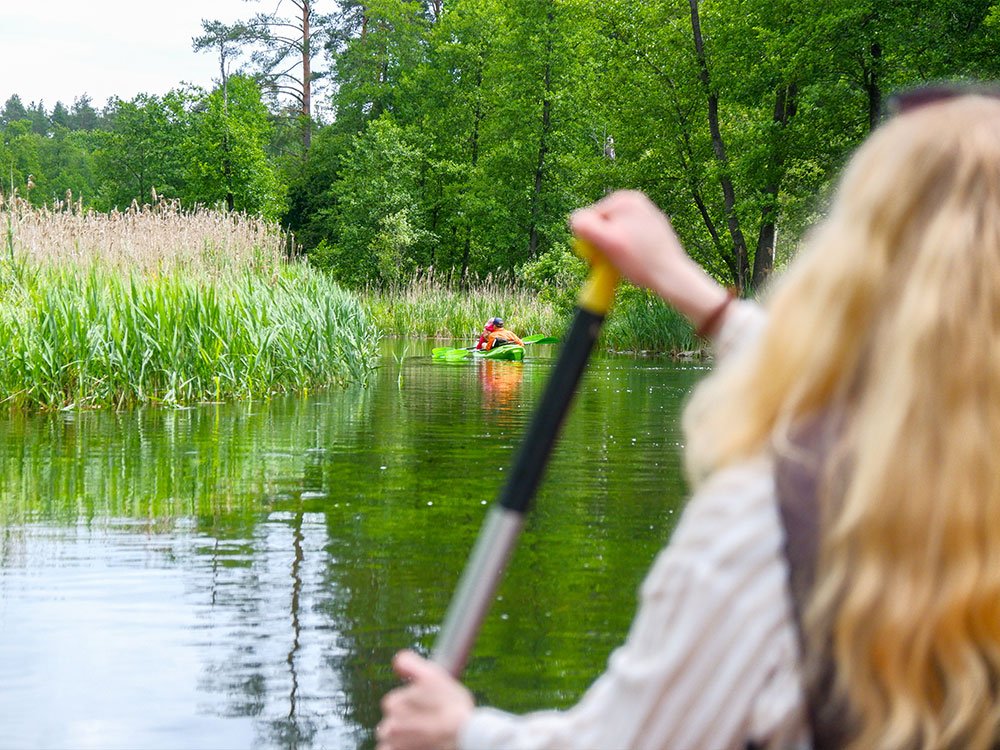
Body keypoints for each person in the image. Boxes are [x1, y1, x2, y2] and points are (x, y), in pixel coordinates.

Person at [377, 85, 1000, 750]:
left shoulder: (768, 524)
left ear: (850, 267)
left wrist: (461, 731)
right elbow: (868, 386)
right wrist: (684, 283)